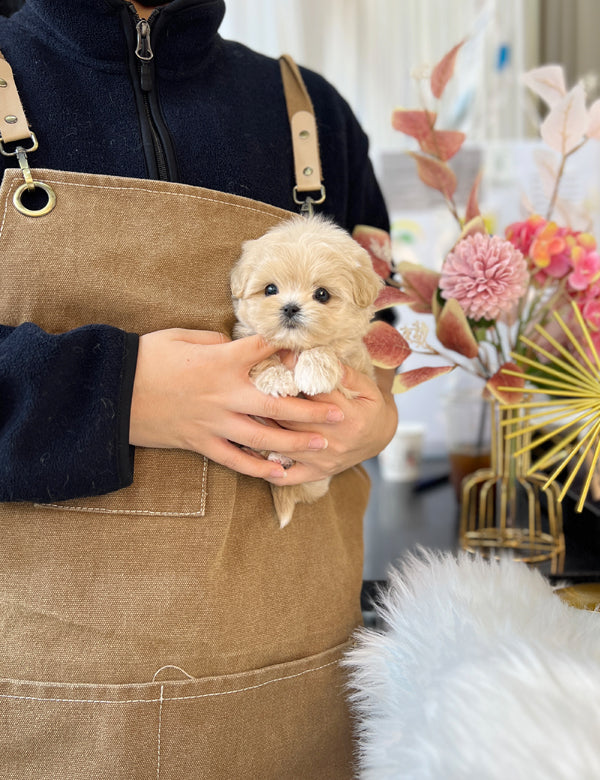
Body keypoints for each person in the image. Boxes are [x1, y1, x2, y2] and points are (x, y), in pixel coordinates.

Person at [0, 1, 397, 777]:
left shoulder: (313, 114)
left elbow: (393, 330)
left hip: (296, 694)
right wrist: (120, 392)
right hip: (36, 702)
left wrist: (375, 419)